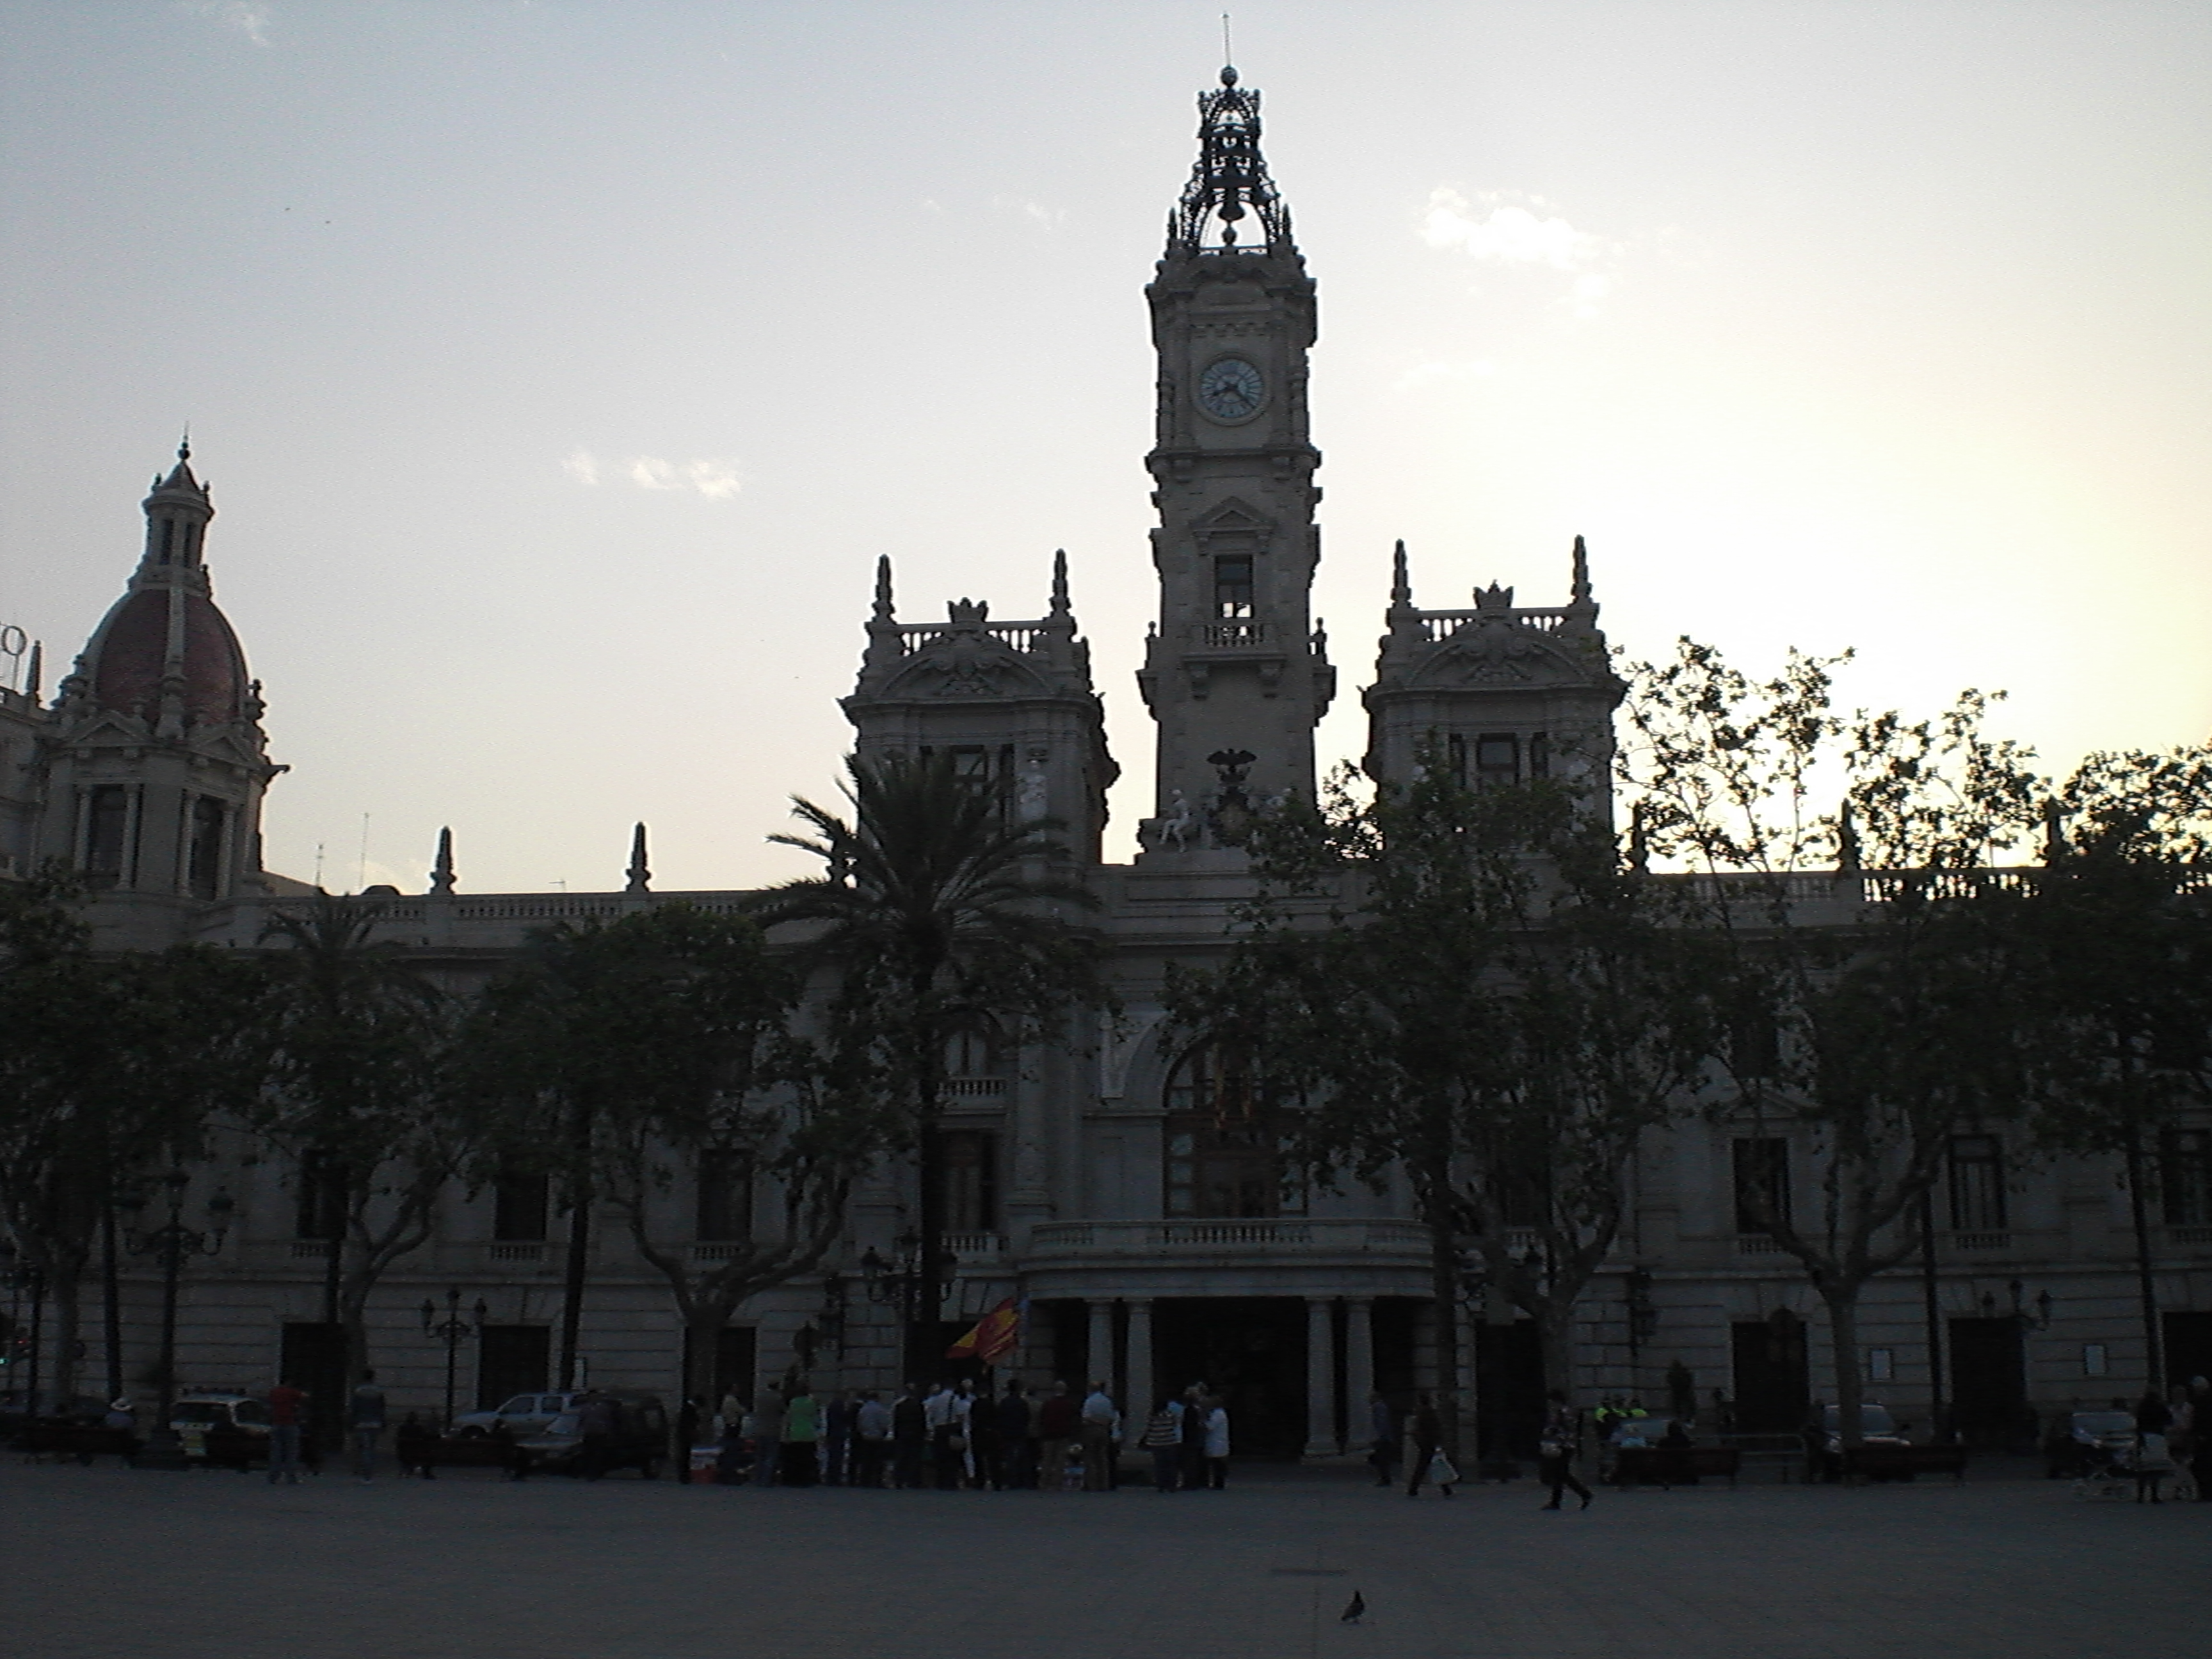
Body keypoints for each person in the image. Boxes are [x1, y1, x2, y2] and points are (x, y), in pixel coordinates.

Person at [1539, 1390, 1594, 1511]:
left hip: (1563, 1445)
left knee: (1560, 1473)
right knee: (1559, 1474)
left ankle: (1583, 1494)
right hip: (1566, 1444)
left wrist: (1551, 1432)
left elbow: (1565, 1428)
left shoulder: (1563, 1412)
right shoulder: (1565, 1411)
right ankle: (1557, 1501)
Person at [1037, 1381, 1078, 1493]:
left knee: (1047, 1460)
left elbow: (1042, 1418)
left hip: (1048, 1434)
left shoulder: (1048, 1403)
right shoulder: (1069, 1404)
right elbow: (1073, 1418)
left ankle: (1044, 1483)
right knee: (1060, 1461)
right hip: (1063, 1434)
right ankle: (1057, 1484)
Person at [348, 1370, 387, 1484]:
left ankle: (361, 1471)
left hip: (361, 1423)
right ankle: (369, 1474)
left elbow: (354, 1409)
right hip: (375, 1423)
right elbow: (382, 1409)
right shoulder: (378, 1391)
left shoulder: (358, 1391)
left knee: (361, 1448)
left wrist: (351, 1423)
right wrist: (383, 1423)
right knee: (370, 1449)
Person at [965, 1379, 1004, 1490]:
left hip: (978, 1433)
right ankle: (997, 1481)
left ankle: (980, 1481)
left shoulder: (975, 1404)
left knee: (978, 1459)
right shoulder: (991, 1404)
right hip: (991, 1433)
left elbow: (973, 1419)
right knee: (994, 1459)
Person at [997, 1379, 1035, 1490]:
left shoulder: (1004, 1402)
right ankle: (1022, 1480)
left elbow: (1000, 1417)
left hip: (1007, 1433)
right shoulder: (1022, 1403)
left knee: (1009, 1457)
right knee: (1022, 1457)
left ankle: (1011, 1480)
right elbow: (1027, 1417)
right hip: (1020, 1432)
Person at [1080, 1380, 1118, 1492]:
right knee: (1102, 1457)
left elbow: (1086, 1417)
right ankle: (1103, 1483)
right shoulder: (1107, 1401)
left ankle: (1092, 1484)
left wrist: (1095, 1422)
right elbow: (1111, 1417)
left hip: (1092, 1429)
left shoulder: (1090, 1401)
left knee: (1090, 1457)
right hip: (1104, 1430)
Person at [266, 1379, 305, 1486]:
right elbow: (304, 1396)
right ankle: (291, 1477)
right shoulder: (292, 1392)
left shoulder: (274, 1392)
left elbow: (269, 1405)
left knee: (276, 1452)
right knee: (291, 1452)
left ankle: (273, 1477)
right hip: (290, 1424)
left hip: (276, 1423)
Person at [780, 1384, 820, 1486]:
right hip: (809, 1432)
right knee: (807, 1459)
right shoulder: (811, 1402)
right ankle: (805, 1480)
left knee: (794, 1458)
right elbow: (815, 1418)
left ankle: (793, 1480)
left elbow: (789, 1417)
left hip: (795, 1432)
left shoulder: (793, 1402)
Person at [1406, 1393, 1444, 1498]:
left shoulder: (1420, 1412)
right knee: (1436, 1464)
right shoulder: (1429, 1412)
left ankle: (1413, 1488)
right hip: (1430, 1442)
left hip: (1425, 1442)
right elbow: (1435, 1427)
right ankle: (1445, 1487)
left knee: (1424, 1465)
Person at [1141, 1397, 1182, 1492]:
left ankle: (1161, 1485)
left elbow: (1149, 1428)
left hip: (1156, 1442)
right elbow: (1174, 1424)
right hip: (1169, 1441)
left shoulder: (1152, 1416)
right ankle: (1172, 1485)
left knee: (1159, 1465)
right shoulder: (1170, 1415)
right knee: (1171, 1464)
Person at [577, 1391, 618, 1481]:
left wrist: (608, 1431)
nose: (594, 1398)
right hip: (588, 1432)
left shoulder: (604, 1407)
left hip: (601, 1433)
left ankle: (596, 1472)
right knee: (588, 1453)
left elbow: (609, 1419)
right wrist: (579, 1430)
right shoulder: (585, 1407)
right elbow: (581, 1419)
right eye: (592, 1397)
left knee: (598, 1453)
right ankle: (587, 1472)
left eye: (596, 1397)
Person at [892, 1382, 927, 1489]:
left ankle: (899, 1480)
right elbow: (922, 1422)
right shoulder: (919, 1406)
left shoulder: (899, 1406)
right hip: (916, 1434)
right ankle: (913, 1481)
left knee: (901, 1457)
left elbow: (896, 1422)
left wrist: (896, 1434)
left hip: (902, 1434)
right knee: (914, 1458)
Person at [853, 1390, 891, 1487]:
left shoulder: (864, 1409)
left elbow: (859, 1423)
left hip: (866, 1436)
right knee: (878, 1460)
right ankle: (877, 1480)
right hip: (877, 1436)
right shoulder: (880, 1409)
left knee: (866, 1459)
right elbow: (884, 1423)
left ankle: (865, 1480)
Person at [1177, 1382, 1210, 1493]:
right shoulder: (1199, 1408)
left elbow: (1190, 1425)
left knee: (1190, 1461)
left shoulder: (1190, 1409)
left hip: (1190, 1438)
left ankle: (1190, 1482)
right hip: (1196, 1437)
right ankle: (1199, 1481)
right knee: (1196, 1459)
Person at [753, 1384, 783, 1487]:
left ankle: (758, 1478)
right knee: (771, 1456)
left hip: (760, 1429)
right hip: (773, 1430)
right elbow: (783, 1411)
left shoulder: (760, 1397)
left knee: (760, 1456)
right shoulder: (778, 1398)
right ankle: (767, 1480)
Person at [1366, 1391, 1398, 1488]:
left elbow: (1381, 1422)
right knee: (1383, 1459)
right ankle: (1385, 1478)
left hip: (1383, 1438)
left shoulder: (1379, 1407)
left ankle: (1385, 1479)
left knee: (1382, 1459)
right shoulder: (1382, 1407)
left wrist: (1379, 1436)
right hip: (1385, 1437)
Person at [821, 1389, 851, 1486]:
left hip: (833, 1433)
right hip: (838, 1433)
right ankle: (835, 1478)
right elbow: (844, 1419)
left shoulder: (832, 1405)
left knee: (833, 1456)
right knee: (837, 1456)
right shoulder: (839, 1405)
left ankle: (831, 1477)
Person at [1203, 1395, 1230, 1490]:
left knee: (1218, 1463)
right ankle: (1217, 1482)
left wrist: (1202, 1421)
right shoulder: (1218, 1413)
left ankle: (1219, 1483)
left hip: (1217, 1442)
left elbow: (1210, 1426)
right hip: (1217, 1442)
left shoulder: (1218, 1414)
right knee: (1217, 1463)